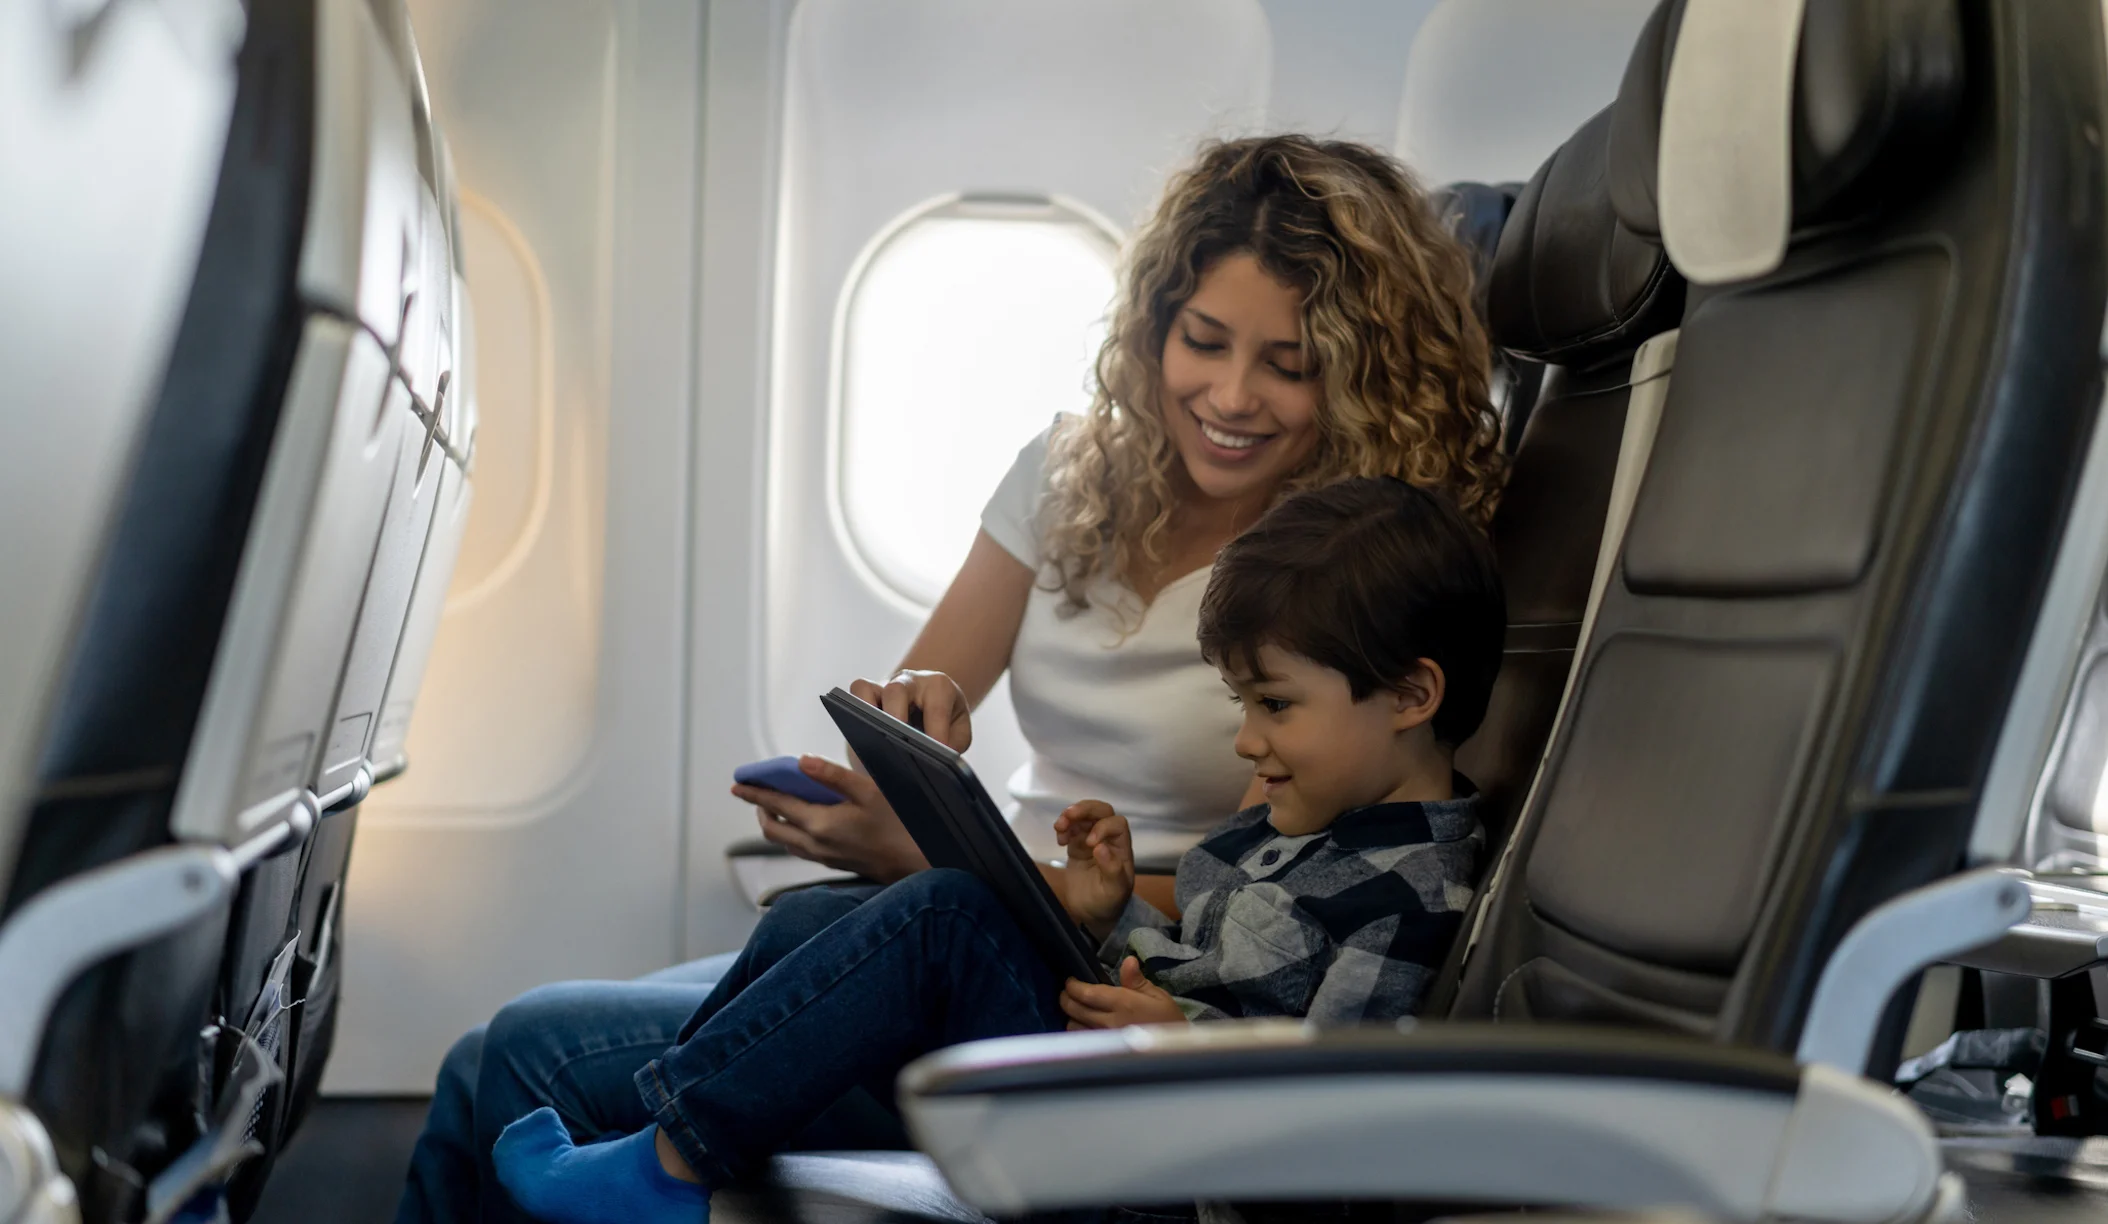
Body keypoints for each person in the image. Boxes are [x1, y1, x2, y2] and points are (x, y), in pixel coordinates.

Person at [396, 132, 1506, 1224]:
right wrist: (916, 732)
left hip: (1073, 952)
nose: (1228, 393)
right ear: (1154, 326)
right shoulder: (1073, 472)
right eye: (1202, 341)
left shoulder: (1337, 591)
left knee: (526, 1058)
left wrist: (962, 867)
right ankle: (676, 1145)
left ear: (1358, 374)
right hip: (1004, 898)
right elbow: (937, 673)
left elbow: (1274, 906)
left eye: (1287, 365)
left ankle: (668, 1163)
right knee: (483, 1056)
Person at [488, 475, 1504, 1224]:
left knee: (948, 915)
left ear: (1413, 697)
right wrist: (1114, 917)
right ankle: (672, 1147)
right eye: (1242, 705)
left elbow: (1330, 1127)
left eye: (1273, 706)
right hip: (1125, 1107)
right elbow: (1208, 967)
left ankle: (665, 1166)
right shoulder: (1304, 818)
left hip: (1173, 1186)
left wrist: (1181, 1047)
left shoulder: (1409, 895)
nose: (1246, 743)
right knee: (812, 915)